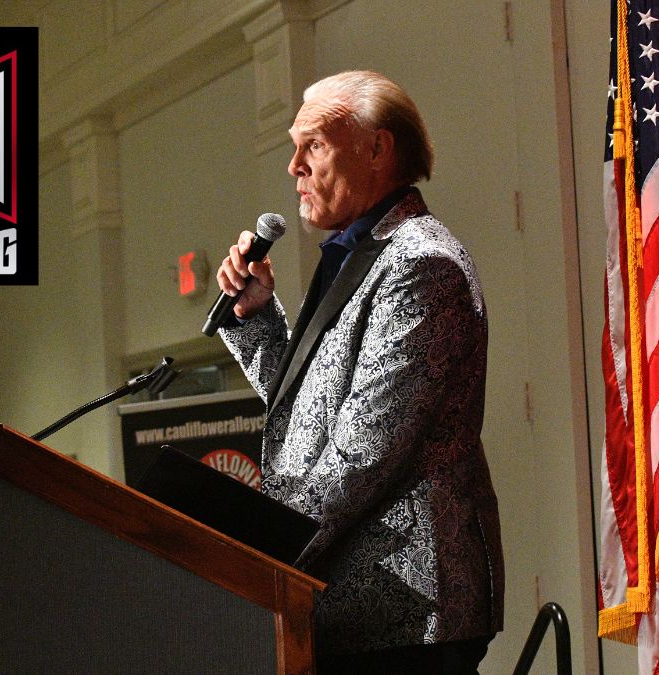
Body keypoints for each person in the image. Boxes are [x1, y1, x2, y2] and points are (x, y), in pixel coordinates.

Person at [215, 70, 503, 673]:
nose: (293, 165)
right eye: (295, 145)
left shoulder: (420, 264)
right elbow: (312, 418)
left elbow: (362, 453)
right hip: (359, 612)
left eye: (313, 144)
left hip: (407, 614)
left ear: (378, 148)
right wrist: (258, 317)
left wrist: (255, 557)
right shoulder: (363, 250)